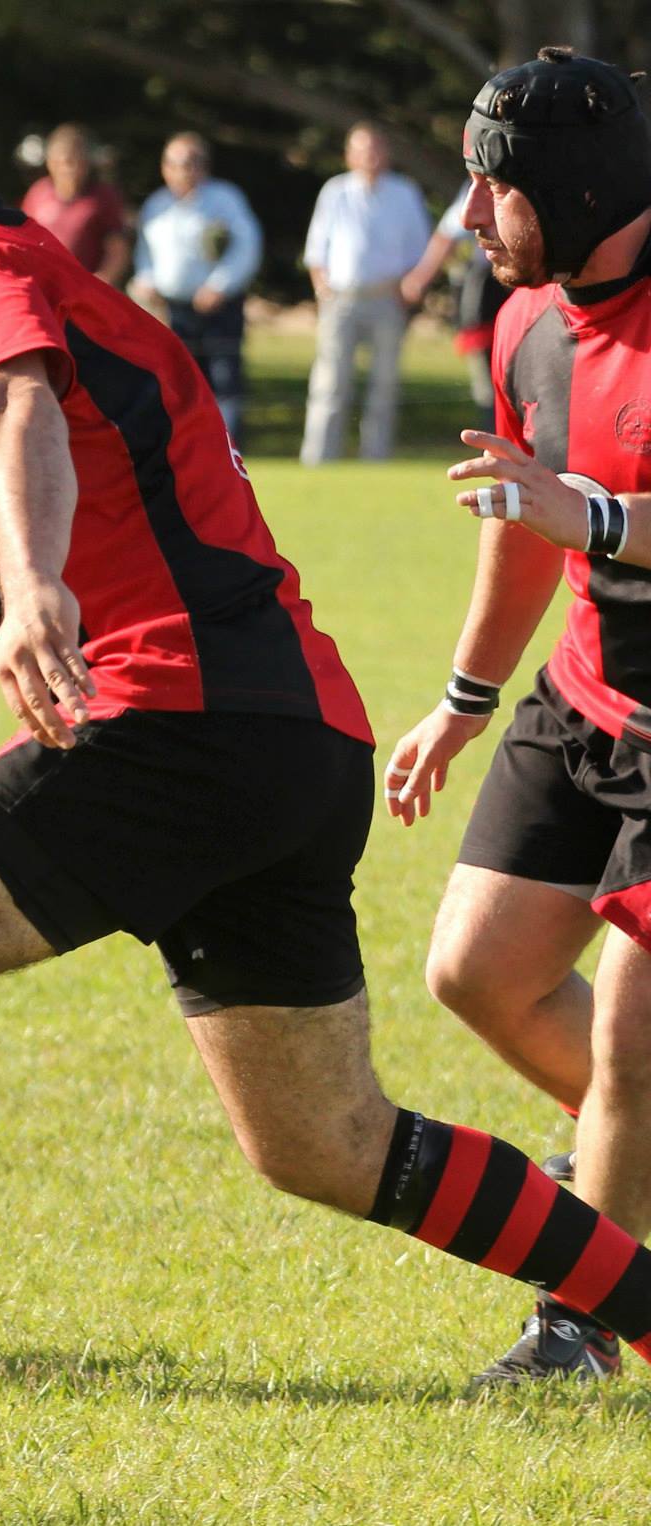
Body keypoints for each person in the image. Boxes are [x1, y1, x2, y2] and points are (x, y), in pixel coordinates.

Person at [0, 82, 651, 1508]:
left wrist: (42, 586)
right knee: (326, 1140)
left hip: (177, 726)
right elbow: (31, 507)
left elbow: (9, 416)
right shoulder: (41, 272)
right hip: (286, 738)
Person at [384, 46, 651, 1385]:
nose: (472, 221)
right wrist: (463, 700)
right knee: (473, 970)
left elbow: (572, 515)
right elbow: (523, 529)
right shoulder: (526, 325)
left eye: (493, 191)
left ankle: (578, 1325)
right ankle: (627, 1144)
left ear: (577, 184)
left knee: (630, 1040)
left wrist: (594, 516)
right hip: (584, 699)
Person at [300, 123, 434, 464]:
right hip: (341, 299)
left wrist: (409, 286)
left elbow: (420, 248)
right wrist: (322, 288)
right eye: (361, 149)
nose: (369, 156)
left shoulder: (404, 193)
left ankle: (375, 458)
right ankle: (319, 458)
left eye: (375, 149)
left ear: (386, 154)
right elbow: (317, 248)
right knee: (330, 383)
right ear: (349, 155)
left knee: (384, 384)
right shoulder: (336, 192)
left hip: (386, 298)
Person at [130, 132, 261, 438]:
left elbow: (247, 247)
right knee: (178, 384)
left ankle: (229, 451)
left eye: (190, 163)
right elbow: (145, 254)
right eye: (174, 163)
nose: (182, 170)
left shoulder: (225, 199)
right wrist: (147, 281)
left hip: (218, 307)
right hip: (172, 310)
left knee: (224, 382)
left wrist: (219, 285)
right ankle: (189, 448)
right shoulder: (157, 205)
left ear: (204, 166)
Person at [401, 185, 512, 431]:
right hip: (488, 291)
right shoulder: (479, 185)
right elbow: (448, 235)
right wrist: (420, 279)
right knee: (488, 378)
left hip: (523, 289)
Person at [21, 123, 130, 285]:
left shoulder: (103, 196)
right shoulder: (38, 193)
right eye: (60, 161)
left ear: (86, 162)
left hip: (83, 290)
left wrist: (103, 281)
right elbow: (22, 240)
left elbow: (117, 249)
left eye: (73, 161)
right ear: (50, 161)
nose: (67, 168)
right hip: (42, 286)